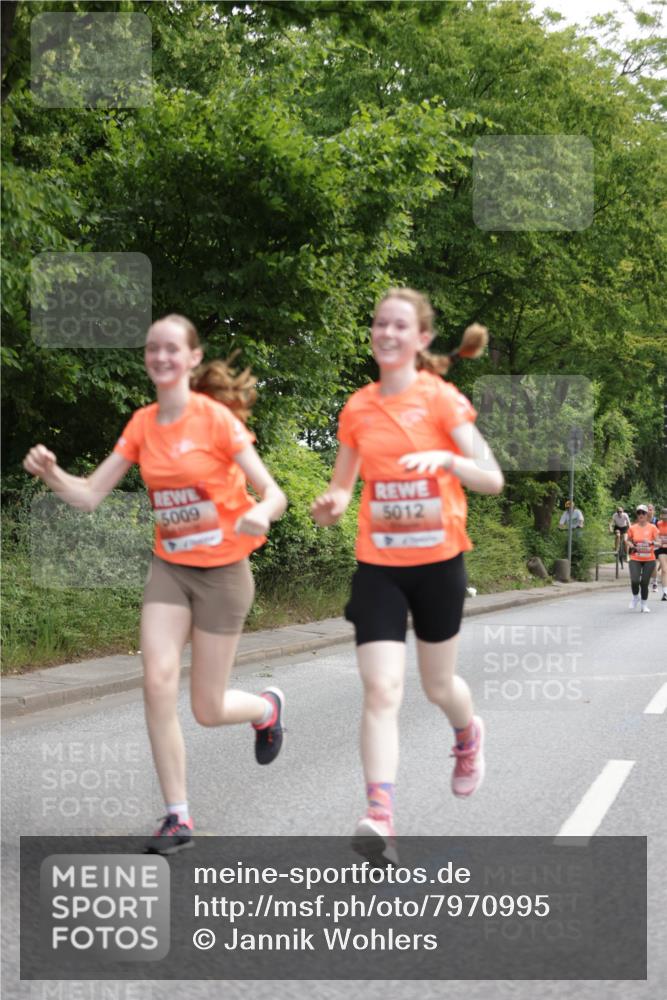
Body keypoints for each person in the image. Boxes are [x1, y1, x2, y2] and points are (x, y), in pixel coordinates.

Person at [23, 314, 287, 854]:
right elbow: (90, 495)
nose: (161, 357)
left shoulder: (216, 421)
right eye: (152, 349)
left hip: (223, 576)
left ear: (192, 359)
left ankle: (266, 710)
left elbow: (272, 491)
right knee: (156, 679)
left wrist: (262, 513)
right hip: (170, 568)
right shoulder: (142, 425)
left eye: (172, 349)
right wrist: (52, 474)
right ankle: (177, 816)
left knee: (207, 709)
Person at [311, 288, 504, 865]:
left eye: (399, 326)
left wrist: (447, 460)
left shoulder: (442, 402)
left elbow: (491, 478)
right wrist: (333, 504)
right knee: (381, 689)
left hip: (440, 563)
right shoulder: (358, 409)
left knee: (438, 687)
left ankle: (468, 737)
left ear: (420, 339)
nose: (386, 333)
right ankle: (380, 816)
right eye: (379, 324)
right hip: (380, 567)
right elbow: (343, 486)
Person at [625, 505, 659, 613]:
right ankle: (636, 597)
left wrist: (651, 542)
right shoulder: (632, 528)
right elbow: (628, 540)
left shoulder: (652, 527)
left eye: (643, 513)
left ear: (647, 514)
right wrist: (630, 544)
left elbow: (659, 542)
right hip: (635, 557)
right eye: (638, 513)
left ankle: (644, 604)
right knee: (635, 580)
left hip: (649, 559)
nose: (641, 515)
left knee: (644, 582)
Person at [655, 507, 667, 602]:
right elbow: (655, 536)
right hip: (662, 549)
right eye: (663, 514)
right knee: (664, 570)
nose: (664, 516)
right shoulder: (658, 524)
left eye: (666, 514)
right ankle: (665, 593)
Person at [647, 504, 659, 591]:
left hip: (654, 546)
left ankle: (655, 582)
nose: (649, 511)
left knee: (653, 564)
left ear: (653, 511)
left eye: (650, 509)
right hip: (644, 546)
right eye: (648, 509)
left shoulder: (657, 521)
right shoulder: (643, 520)